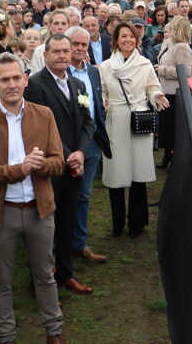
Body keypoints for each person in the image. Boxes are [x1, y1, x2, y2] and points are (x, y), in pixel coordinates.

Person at [0, 53, 68, 344]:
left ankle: (54, 332)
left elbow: (58, 162)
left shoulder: (44, 114)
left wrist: (38, 165)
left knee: (45, 275)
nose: (11, 84)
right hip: (1, 212)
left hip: (40, 209)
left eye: (16, 78)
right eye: (5, 79)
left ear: (25, 80)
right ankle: (6, 336)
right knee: (0, 281)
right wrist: (18, 170)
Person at [23, 35, 96, 296]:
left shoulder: (78, 84)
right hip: (50, 167)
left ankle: (65, 274)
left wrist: (81, 153)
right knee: (43, 228)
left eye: (66, 50)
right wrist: (68, 156)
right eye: (57, 51)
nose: (63, 55)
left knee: (67, 222)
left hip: (74, 166)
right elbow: (41, 128)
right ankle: (39, 282)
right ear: (46, 55)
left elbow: (87, 122)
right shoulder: (34, 85)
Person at [100, 23, 169, 237]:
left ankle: (137, 223)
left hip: (139, 119)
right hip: (115, 120)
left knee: (138, 172)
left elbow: (152, 87)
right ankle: (117, 223)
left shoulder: (145, 64)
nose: (128, 40)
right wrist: (103, 101)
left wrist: (156, 96)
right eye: (123, 36)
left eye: (131, 36)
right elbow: (102, 90)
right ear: (116, 40)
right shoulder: (106, 67)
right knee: (116, 172)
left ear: (136, 39)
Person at [65, 26, 111, 264]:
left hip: (92, 142)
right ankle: (58, 248)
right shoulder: (60, 72)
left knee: (84, 195)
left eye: (84, 44)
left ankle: (78, 244)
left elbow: (95, 102)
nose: (80, 48)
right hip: (67, 145)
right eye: (76, 44)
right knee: (63, 197)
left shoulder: (93, 72)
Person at [155, 17, 192, 168]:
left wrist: (161, 69)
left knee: (173, 129)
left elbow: (185, 71)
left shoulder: (182, 47)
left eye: (172, 27)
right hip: (167, 92)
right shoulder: (170, 44)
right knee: (167, 128)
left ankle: (174, 159)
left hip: (176, 94)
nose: (168, 30)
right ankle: (168, 156)